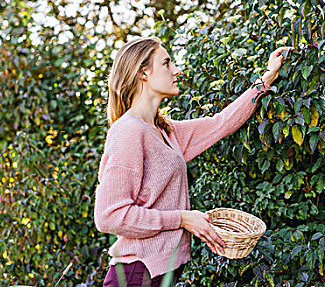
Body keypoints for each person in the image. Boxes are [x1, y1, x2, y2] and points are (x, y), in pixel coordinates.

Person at [94, 36, 293, 286]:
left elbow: (221, 123)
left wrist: (267, 77)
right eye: (166, 63)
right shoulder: (128, 132)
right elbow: (109, 216)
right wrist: (182, 218)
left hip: (160, 272)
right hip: (136, 274)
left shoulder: (165, 131)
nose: (176, 70)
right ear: (143, 73)